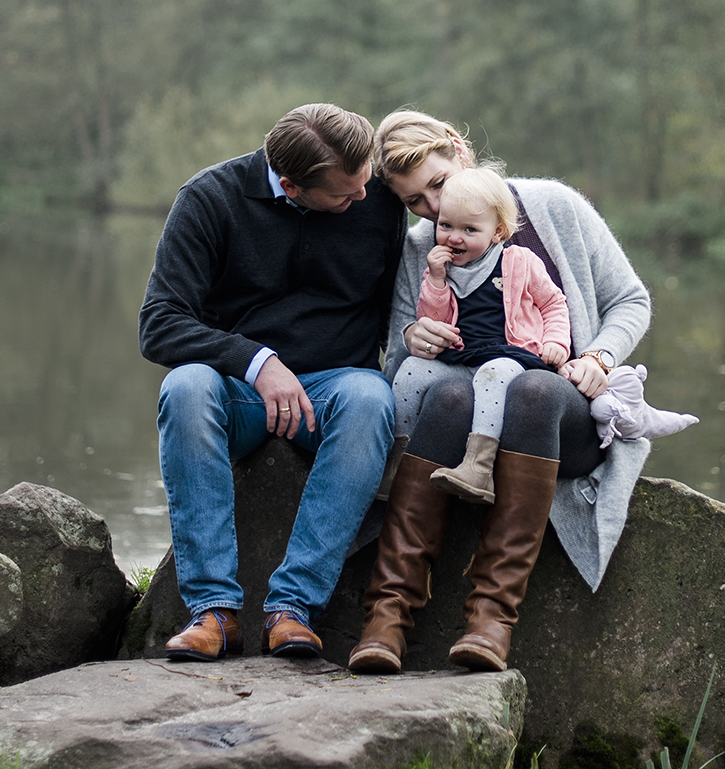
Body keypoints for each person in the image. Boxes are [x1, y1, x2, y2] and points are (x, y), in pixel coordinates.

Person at [349, 111, 655, 675]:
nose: (436, 211)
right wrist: (414, 336)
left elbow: (631, 301)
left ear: (461, 153)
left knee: (534, 390)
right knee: (444, 397)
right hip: (465, 411)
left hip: (560, 407)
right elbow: (397, 360)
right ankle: (386, 616)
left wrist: (598, 356)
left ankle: (491, 618)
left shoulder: (553, 207)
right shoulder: (424, 248)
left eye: (438, 184)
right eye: (416, 202)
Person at [138, 103, 401, 663]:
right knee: (185, 387)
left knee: (371, 398)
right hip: (237, 392)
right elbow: (159, 324)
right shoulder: (211, 198)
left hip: (335, 389)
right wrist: (257, 362)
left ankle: (291, 609)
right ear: (290, 185)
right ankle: (214, 612)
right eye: (344, 195)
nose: (362, 200)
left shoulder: (375, 196)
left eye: (365, 185)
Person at [394, 166, 571, 505]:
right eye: (445, 226)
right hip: (460, 358)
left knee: (495, 374)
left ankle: (478, 465)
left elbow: (553, 303)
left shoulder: (518, 261)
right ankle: (400, 456)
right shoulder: (441, 270)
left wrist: (555, 342)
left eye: (469, 229)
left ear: (497, 232)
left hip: (509, 356)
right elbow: (431, 320)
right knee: (411, 371)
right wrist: (434, 281)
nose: (454, 237)